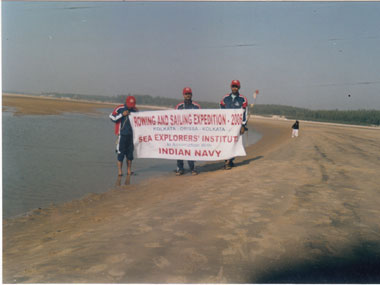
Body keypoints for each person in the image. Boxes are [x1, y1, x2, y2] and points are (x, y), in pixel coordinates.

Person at [220, 79, 248, 170]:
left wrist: (243, 125)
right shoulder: (225, 98)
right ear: (231, 87)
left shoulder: (243, 99)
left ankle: (229, 161)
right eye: (233, 86)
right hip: (226, 126)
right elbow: (220, 112)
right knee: (226, 143)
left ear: (239, 87)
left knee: (234, 143)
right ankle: (228, 161)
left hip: (237, 126)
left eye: (236, 86)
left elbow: (245, 113)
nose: (234, 88)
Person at [175, 87, 201, 176]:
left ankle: (193, 168)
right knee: (180, 151)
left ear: (191, 94)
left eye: (189, 94)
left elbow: (201, 120)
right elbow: (175, 120)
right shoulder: (179, 106)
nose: (187, 95)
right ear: (183, 95)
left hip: (192, 133)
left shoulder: (196, 106)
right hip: (181, 133)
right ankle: (180, 168)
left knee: (191, 151)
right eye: (186, 94)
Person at [109, 96, 138, 176]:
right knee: (121, 154)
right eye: (129, 105)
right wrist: (122, 114)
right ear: (126, 102)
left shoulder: (135, 110)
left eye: (132, 105)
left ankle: (129, 170)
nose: (130, 107)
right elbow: (111, 117)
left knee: (130, 155)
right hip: (122, 135)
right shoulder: (120, 108)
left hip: (131, 136)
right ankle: (120, 172)